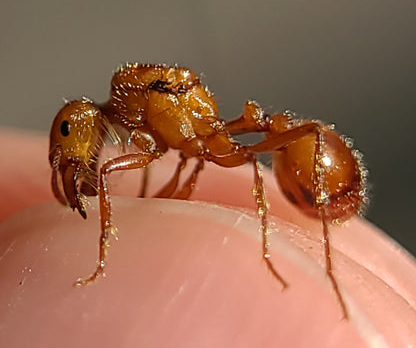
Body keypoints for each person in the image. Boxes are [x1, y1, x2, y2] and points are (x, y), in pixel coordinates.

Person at [0, 129, 415, 347]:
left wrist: (267, 249)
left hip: (316, 174)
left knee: (247, 162)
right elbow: (159, 154)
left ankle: (314, 270)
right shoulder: (148, 126)